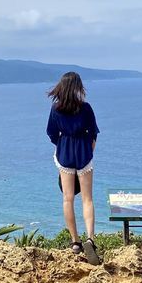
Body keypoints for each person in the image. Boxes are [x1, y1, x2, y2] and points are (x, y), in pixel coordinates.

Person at [46, 71, 100, 264]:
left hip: (65, 152)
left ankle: (75, 242)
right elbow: (93, 133)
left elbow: (51, 133)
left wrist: (62, 145)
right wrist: (89, 149)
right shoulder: (85, 108)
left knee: (68, 199)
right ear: (78, 87)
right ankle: (90, 239)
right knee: (87, 199)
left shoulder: (56, 109)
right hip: (83, 151)